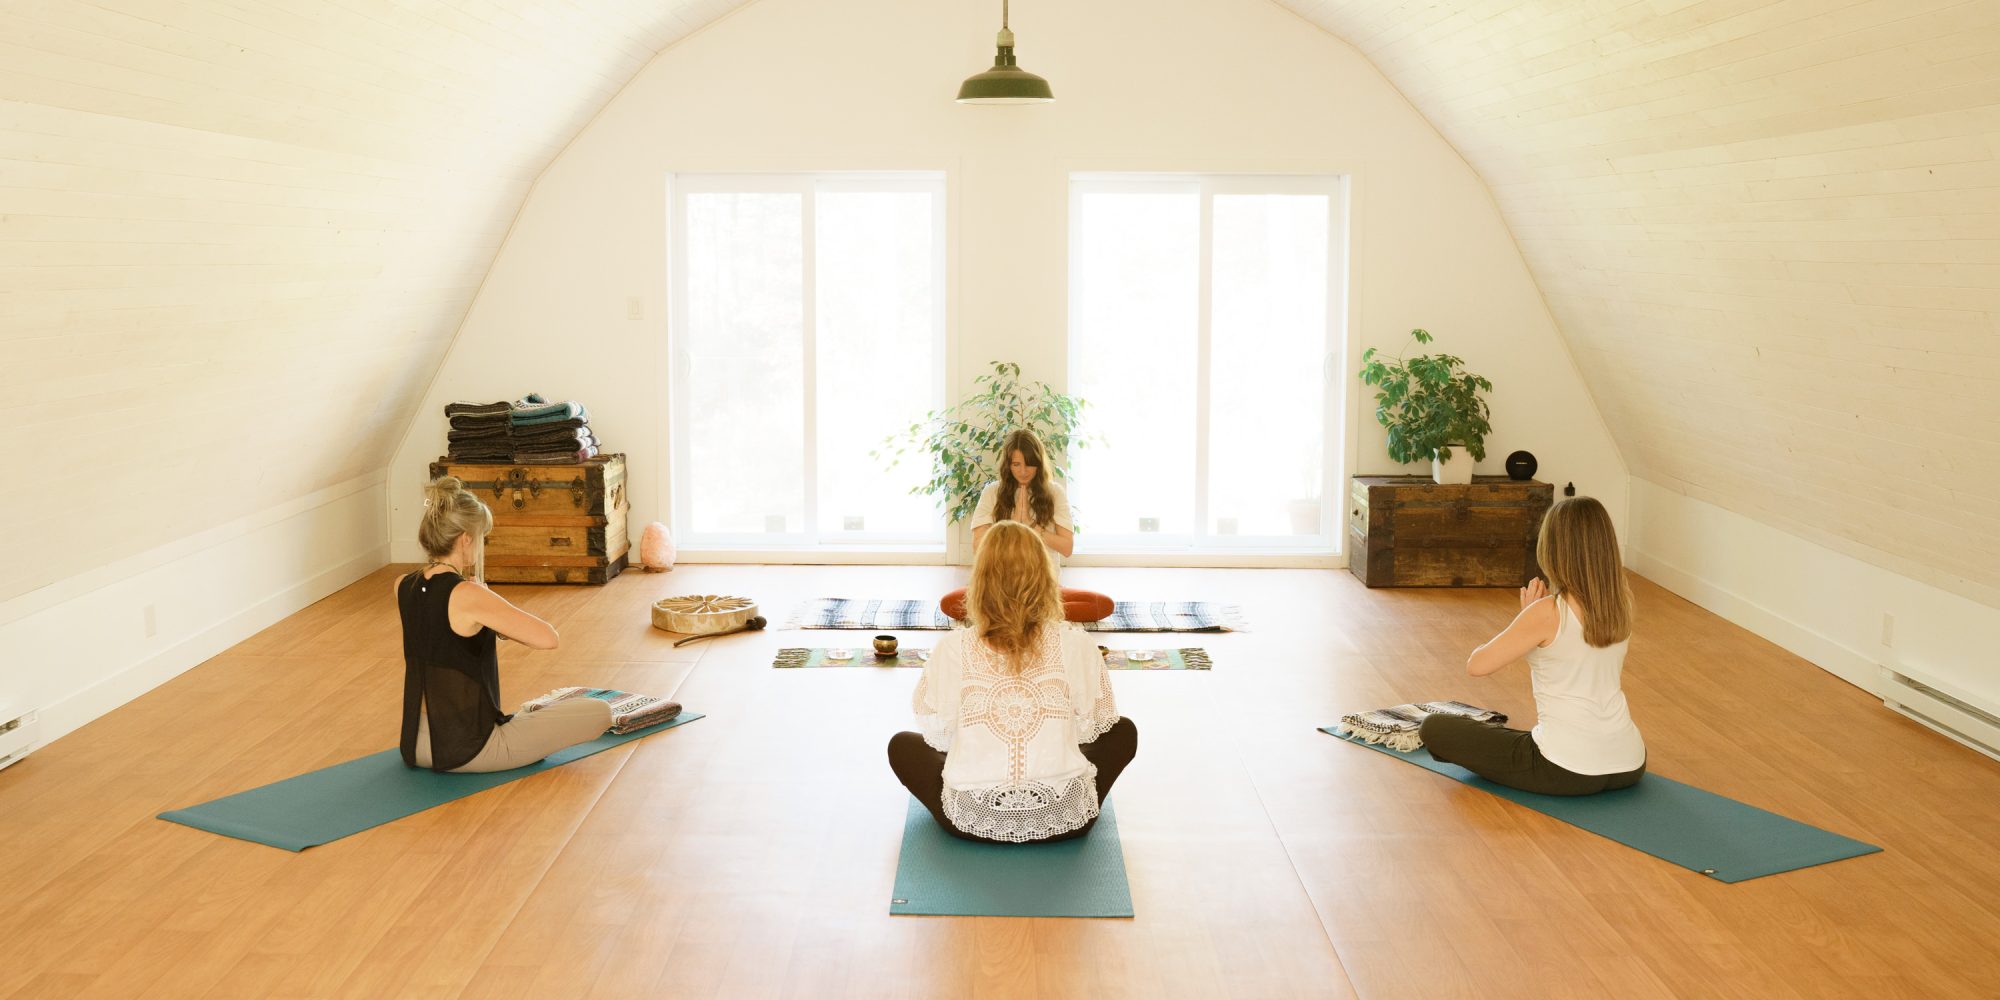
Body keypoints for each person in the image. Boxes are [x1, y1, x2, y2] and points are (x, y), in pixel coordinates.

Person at [890, 521, 1138, 843]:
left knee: (903, 745)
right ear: (1045, 579)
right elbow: (1090, 725)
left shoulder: (953, 648)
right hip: (1067, 821)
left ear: (980, 580)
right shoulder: (1077, 644)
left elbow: (940, 731)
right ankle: (1058, 793)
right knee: (1123, 731)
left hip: (971, 822)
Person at [1419, 496, 1646, 795]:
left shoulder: (1547, 613)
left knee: (1435, 728)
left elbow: (1477, 665)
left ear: (1553, 552)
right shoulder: (1621, 604)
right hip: (1630, 763)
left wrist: (1526, 617)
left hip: (1565, 770)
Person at [395, 476, 612, 773]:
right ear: (465, 539)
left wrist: (488, 617)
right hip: (469, 750)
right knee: (599, 712)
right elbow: (548, 638)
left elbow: (441, 632)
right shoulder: (468, 594)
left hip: (414, 746)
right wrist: (489, 600)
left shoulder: (402, 585)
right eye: (482, 536)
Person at [940, 428, 1114, 623]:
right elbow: (978, 546)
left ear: (1039, 464)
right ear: (1008, 465)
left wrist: (1034, 529)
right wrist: (1011, 526)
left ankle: (1019, 613)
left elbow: (1067, 547)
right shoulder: (992, 492)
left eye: (1029, 465)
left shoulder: (1054, 492)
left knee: (1103, 604)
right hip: (1000, 584)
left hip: (1041, 584)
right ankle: (1033, 614)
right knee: (949, 603)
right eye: (1016, 464)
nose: (1023, 472)